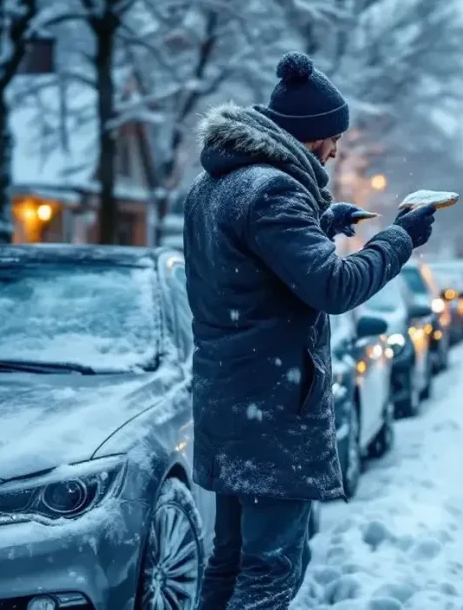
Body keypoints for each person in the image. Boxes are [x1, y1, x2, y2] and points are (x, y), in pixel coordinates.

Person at [183, 51, 436, 609]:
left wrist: (322, 225)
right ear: (308, 137)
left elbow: (246, 265)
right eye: (332, 139)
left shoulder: (215, 185)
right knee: (272, 570)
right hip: (272, 409)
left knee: (228, 561)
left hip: (230, 402)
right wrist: (399, 240)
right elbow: (334, 288)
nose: (336, 151)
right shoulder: (274, 191)